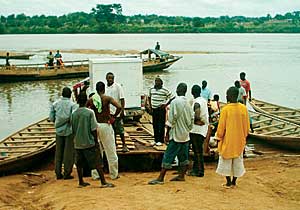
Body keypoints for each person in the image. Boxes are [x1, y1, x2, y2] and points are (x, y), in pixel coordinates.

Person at [148, 83, 194, 185]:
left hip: (176, 133)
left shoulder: (175, 102)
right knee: (183, 156)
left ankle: (160, 178)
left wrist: (167, 133)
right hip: (185, 134)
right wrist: (188, 129)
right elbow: (192, 119)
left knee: (168, 155)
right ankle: (181, 175)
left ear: (178, 90)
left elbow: (172, 118)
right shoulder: (188, 102)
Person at [71, 91, 114, 188]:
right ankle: (103, 182)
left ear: (77, 101)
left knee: (79, 163)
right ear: (86, 100)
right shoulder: (90, 113)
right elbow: (94, 128)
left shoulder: (74, 113)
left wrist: (75, 139)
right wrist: (95, 141)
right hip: (89, 141)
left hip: (78, 142)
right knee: (97, 162)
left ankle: (81, 181)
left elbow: (73, 128)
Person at [215, 86, 250, 188]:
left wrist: (218, 137)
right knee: (237, 161)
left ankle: (228, 181)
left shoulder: (225, 110)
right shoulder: (243, 108)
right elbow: (247, 127)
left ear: (228, 96)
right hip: (239, 140)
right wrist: (244, 137)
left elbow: (221, 127)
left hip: (228, 140)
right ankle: (234, 181)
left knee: (226, 161)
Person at [86, 81, 122, 180]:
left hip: (95, 126)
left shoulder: (91, 99)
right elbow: (119, 107)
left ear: (96, 89)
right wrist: (113, 117)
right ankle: (114, 174)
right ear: (104, 89)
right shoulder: (107, 98)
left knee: (97, 151)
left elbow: (85, 109)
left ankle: (95, 175)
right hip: (106, 125)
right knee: (110, 150)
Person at [49, 87, 77, 180]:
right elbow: (73, 119)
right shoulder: (73, 105)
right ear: (69, 95)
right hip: (69, 131)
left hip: (58, 131)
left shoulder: (55, 104)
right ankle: (67, 173)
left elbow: (51, 118)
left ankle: (58, 173)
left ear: (62, 94)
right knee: (68, 153)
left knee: (58, 152)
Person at [105, 72, 129, 152]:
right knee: (112, 129)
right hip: (109, 112)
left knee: (120, 129)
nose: (110, 79)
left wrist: (122, 110)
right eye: (109, 78)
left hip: (117, 112)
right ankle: (114, 144)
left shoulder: (118, 87)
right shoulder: (105, 88)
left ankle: (124, 144)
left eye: (112, 78)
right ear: (106, 78)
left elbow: (122, 99)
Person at [188, 85, 209, 177]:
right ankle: (196, 169)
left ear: (192, 92)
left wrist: (196, 120)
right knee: (198, 150)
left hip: (196, 130)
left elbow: (197, 113)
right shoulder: (203, 100)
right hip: (203, 129)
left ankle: (199, 171)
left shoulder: (196, 102)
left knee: (197, 151)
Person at [148, 76, 173, 146]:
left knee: (161, 125)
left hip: (161, 109)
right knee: (155, 124)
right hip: (154, 109)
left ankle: (161, 140)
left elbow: (172, 97)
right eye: (156, 81)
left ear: (161, 83)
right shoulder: (151, 89)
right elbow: (149, 97)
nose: (157, 83)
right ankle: (155, 139)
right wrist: (149, 106)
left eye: (158, 82)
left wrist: (165, 104)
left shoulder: (165, 90)